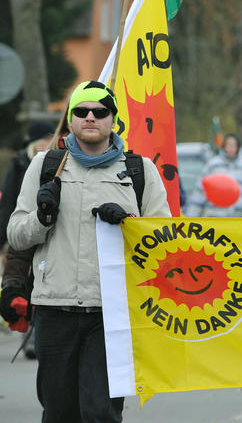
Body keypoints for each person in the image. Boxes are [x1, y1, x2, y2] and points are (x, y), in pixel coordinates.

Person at [6, 80, 170, 422]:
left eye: (100, 111)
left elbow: (165, 246)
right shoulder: (45, 166)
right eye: (81, 111)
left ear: (113, 118)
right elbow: (17, 236)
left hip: (111, 313)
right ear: (69, 120)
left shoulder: (140, 171)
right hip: (53, 309)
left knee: (99, 413)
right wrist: (42, 217)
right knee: (59, 414)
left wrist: (130, 225)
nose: (90, 117)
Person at [0, 121, 54, 359]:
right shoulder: (21, 164)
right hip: (22, 228)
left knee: (40, 281)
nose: (49, 140)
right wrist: (6, 237)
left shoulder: (55, 161)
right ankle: (28, 336)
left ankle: (36, 335)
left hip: (46, 226)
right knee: (23, 284)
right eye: (46, 137)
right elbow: (9, 202)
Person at [184, 134, 242, 217]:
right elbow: (199, 192)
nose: (230, 148)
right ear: (224, 146)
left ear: (238, 147)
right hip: (213, 217)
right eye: (228, 145)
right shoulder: (213, 165)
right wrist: (191, 218)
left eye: (233, 145)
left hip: (237, 220)